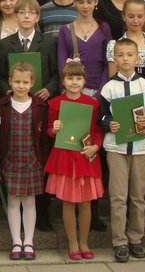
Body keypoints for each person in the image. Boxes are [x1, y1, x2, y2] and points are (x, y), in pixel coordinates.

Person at [99, 38, 145, 263]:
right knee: (118, 196)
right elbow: (101, 117)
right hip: (116, 147)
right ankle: (119, 241)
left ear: (137, 58)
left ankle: (136, 238)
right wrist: (109, 124)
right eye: (121, 55)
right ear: (114, 58)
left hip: (141, 147)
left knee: (137, 195)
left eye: (129, 55)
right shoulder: (109, 87)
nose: (125, 59)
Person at [46, 61, 103, 260]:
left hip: (85, 156)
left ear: (84, 81)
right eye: (70, 78)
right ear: (63, 81)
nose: (74, 82)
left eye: (78, 78)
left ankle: (84, 241)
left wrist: (96, 146)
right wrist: (54, 129)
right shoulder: (55, 104)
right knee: (69, 202)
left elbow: (98, 131)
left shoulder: (92, 104)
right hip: (65, 158)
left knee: (86, 203)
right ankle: (72, 242)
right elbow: (49, 131)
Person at [0, 62, 51, 261]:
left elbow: (44, 138)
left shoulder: (40, 106)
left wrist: (43, 161)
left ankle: (28, 241)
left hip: (32, 161)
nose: (21, 86)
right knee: (13, 201)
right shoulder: (3, 105)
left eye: (25, 82)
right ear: (10, 81)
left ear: (32, 83)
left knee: (29, 201)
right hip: (10, 160)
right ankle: (16, 242)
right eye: (17, 82)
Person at [0, 0, 59, 99]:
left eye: (31, 12)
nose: (26, 16)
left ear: (37, 18)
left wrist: (49, 89)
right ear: (16, 16)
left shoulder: (48, 42)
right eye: (22, 12)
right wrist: (7, 90)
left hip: (41, 99)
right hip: (15, 99)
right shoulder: (6, 44)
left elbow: (55, 73)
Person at [57, 0, 112, 96]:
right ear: (74, 2)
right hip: (72, 90)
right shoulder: (65, 30)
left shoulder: (104, 28)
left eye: (89, 2)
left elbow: (109, 63)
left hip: (99, 89)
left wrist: (100, 94)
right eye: (81, 2)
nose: (85, 6)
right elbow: (61, 64)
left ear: (96, 2)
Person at [106, 0, 145, 89]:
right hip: (124, 94)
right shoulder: (114, 45)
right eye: (131, 16)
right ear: (124, 16)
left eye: (140, 16)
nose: (135, 21)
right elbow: (113, 80)